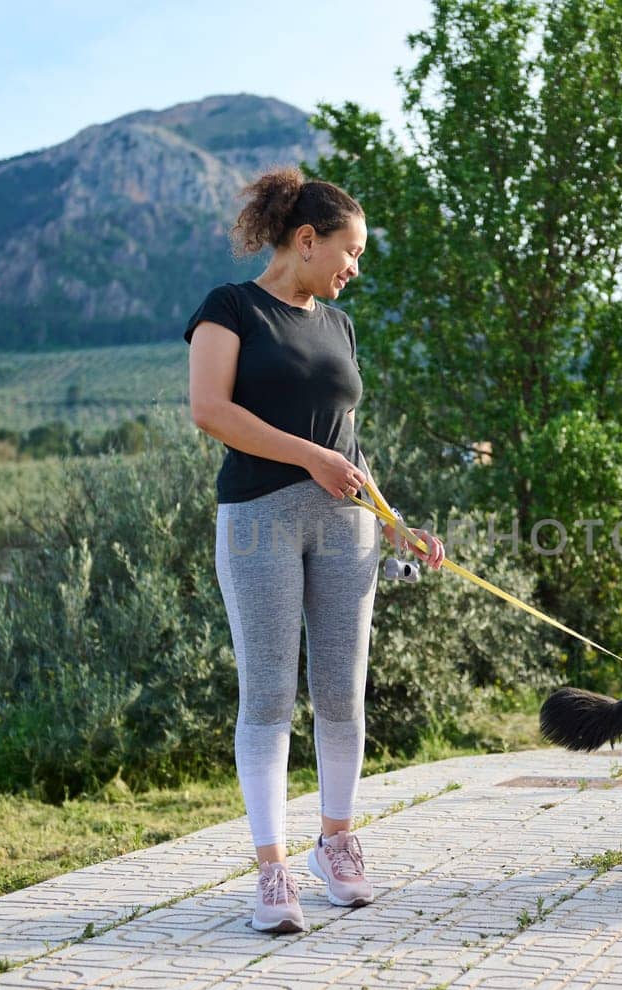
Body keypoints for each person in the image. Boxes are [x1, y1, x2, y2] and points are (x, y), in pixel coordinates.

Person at [185, 167, 445, 934]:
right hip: (260, 518)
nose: (354, 268)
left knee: (341, 691)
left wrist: (394, 522)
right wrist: (307, 458)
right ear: (306, 240)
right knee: (267, 694)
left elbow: (348, 448)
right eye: (350, 251)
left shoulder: (338, 327)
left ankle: (336, 845)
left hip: (347, 526)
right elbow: (210, 411)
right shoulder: (229, 308)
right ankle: (271, 871)